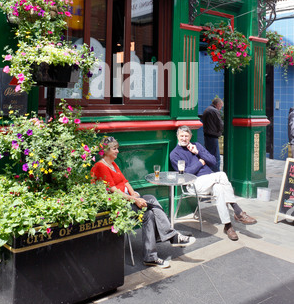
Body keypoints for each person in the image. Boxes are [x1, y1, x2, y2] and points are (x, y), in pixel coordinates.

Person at [91, 136, 196, 269]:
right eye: (114, 149)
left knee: (149, 213)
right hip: (117, 206)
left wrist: (133, 193)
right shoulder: (101, 166)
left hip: (127, 200)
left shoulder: (113, 164)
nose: (117, 151)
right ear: (106, 151)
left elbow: (125, 182)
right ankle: (170, 236)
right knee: (150, 202)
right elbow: (113, 191)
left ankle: (151, 256)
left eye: (117, 148)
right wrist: (135, 199)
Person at [170, 126, 257, 241]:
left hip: (210, 181)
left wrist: (198, 152)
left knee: (220, 189)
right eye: (182, 136)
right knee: (221, 175)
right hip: (194, 184)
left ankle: (228, 226)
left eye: (186, 136)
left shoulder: (197, 146)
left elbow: (213, 161)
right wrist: (200, 163)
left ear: (190, 136)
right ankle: (238, 211)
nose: (184, 138)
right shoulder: (175, 154)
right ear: (178, 136)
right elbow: (186, 174)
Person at [202, 97, 224, 171]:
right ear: (218, 104)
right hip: (213, 136)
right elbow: (220, 124)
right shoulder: (214, 111)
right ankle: (216, 172)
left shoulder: (207, 109)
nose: (220, 108)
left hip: (207, 135)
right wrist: (220, 132)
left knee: (209, 155)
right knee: (216, 157)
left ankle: (209, 170)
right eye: (221, 106)